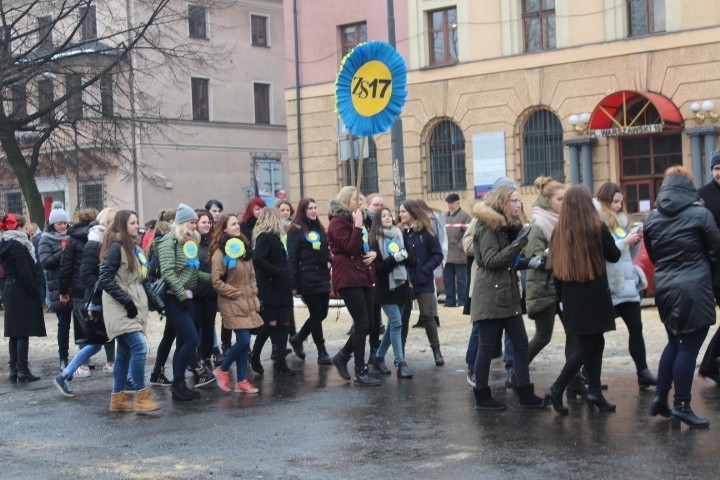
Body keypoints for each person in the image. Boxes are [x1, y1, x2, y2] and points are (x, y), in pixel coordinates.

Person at [643, 166, 720, 429]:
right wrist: (704, 274)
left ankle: (661, 398)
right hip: (694, 286)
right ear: (689, 186)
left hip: (664, 287)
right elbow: (716, 252)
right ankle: (682, 406)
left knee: (674, 342)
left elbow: (653, 255)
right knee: (688, 346)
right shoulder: (701, 214)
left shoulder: (651, 219)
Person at [542, 185, 621, 414]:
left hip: (571, 295)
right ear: (588, 204)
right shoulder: (596, 226)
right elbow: (614, 256)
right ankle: (556, 389)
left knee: (595, 342)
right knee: (587, 346)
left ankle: (595, 391)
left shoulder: (559, 230)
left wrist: (560, 303)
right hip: (594, 294)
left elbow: (554, 268)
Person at [469, 185, 544, 411]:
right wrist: (518, 244)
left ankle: (524, 392)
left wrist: (529, 261)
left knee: (521, 344)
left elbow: (508, 262)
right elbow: (492, 261)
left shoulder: (505, 227)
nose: (518, 204)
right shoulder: (487, 226)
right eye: (513, 200)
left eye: (519, 200)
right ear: (502, 202)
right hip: (490, 295)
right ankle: (482, 397)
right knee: (487, 347)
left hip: (507, 295)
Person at [523, 177, 587, 397]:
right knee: (543, 336)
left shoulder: (564, 220)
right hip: (544, 286)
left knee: (574, 333)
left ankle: (574, 380)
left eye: (566, 198)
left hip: (564, 285)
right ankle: (517, 371)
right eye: (560, 199)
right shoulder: (539, 223)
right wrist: (556, 254)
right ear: (548, 199)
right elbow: (532, 258)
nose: (564, 202)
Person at [98, 209, 163, 414]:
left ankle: (118, 399)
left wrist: (158, 303)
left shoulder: (135, 249)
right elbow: (105, 279)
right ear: (123, 225)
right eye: (133, 223)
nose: (137, 226)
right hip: (120, 307)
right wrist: (126, 301)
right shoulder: (116, 248)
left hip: (134, 306)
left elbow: (142, 281)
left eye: (137, 223)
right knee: (140, 347)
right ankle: (141, 396)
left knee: (125, 353)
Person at [594, 181, 656, 389]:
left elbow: (626, 256)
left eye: (621, 202)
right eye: (615, 202)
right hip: (608, 284)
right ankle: (590, 376)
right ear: (604, 201)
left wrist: (633, 242)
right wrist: (626, 242)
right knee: (596, 334)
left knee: (636, 328)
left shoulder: (622, 222)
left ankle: (643, 372)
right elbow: (608, 252)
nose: (619, 206)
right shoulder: (597, 222)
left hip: (626, 283)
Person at [158, 203, 212, 400]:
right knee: (192, 339)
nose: (195, 226)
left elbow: (193, 273)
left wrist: (214, 279)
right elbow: (168, 272)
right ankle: (177, 383)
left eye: (195, 223)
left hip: (187, 296)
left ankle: (179, 382)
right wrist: (181, 295)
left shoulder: (187, 243)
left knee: (183, 342)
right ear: (181, 223)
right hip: (175, 297)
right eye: (192, 222)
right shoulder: (168, 242)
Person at [328, 186, 380, 386]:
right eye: (355, 199)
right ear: (345, 200)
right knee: (362, 323)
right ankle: (360, 370)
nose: (359, 203)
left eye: (360, 200)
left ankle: (342, 356)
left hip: (363, 274)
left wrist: (373, 253)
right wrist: (357, 226)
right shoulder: (337, 223)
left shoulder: (356, 220)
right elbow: (349, 247)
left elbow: (363, 245)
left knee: (369, 324)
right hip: (348, 277)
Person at [210, 214, 263, 393]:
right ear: (224, 228)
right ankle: (223, 369)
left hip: (247, 301)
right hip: (231, 302)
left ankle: (241, 380)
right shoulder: (220, 253)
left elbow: (252, 274)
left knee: (244, 342)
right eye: (233, 224)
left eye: (237, 223)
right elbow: (216, 282)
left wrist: (253, 292)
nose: (237, 226)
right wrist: (236, 293)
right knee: (244, 340)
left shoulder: (244, 249)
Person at [398, 200, 445, 366]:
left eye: (403, 211)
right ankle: (400, 354)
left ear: (413, 212)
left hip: (424, 280)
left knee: (427, 314)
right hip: (405, 281)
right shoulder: (400, 234)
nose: (400, 214)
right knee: (403, 317)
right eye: (400, 212)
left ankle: (437, 351)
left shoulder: (426, 232)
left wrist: (426, 270)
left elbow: (437, 255)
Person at [250, 208, 296, 376]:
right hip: (271, 287)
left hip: (282, 286)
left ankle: (280, 362)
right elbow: (258, 259)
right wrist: (276, 271)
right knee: (270, 324)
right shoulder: (264, 237)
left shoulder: (275, 237)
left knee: (284, 324)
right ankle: (255, 356)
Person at [287, 198, 333, 365]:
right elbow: (291, 258)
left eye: (315, 207)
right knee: (315, 313)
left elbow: (327, 248)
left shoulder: (319, 229)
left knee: (323, 313)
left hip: (322, 276)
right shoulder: (296, 230)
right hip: (306, 277)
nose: (314, 211)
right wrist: (293, 284)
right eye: (310, 208)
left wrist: (329, 261)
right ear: (303, 211)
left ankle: (298, 338)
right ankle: (322, 351)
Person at [369, 207, 414, 378]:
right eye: (383, 216)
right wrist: (394, 259)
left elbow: (412, 259)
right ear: (378, 220)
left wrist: (404, 256)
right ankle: (401, 363)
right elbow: (378, 270)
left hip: (402, 287)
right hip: (385, 289)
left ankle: (378, 358)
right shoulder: (375, 239)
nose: (387, 218)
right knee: (396, 324)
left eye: (389, 215)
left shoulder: (399, 234)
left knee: (392, 327)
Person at [1, 214, 45, 383]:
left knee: (14, 332)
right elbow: (24, 272)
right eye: (24, 227)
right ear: (17, 228)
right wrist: (35, 291)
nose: (27, 230)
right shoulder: (17, 245)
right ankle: (22, 369)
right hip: (21, 290)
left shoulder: (5, 243)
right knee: (22, 332)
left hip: (11, 288)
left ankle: (14, 368)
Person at [38, 203, 74, 370]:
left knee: (82, 323)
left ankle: (84, 358)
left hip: (75, 285)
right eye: (59, 223)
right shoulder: (46, 239)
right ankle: (63, 357)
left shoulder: (72, 236)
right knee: (64, 325)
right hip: (58, 287)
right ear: (52, 224)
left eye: (65, 223)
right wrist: (64, 251)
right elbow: (46, 263)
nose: (62, 226)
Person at [697, 149, 720, 385]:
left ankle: (710, 365)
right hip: (715, 269)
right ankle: (708, 365)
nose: (719, 172)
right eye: (716, 168)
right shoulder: (702, 196)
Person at [147, 211, 175, 386]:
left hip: (169, 294)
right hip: (169, 294)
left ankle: (158, 371)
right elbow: (155, 270)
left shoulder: (160, 239)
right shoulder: (162, 242)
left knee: (171, 334)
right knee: (174, 334)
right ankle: (158, 371)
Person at [190, 210, 217, 387]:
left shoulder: (212, 242)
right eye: (203, 222)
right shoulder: (192, 243)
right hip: (196, 292)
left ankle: (206, 359)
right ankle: (195, 361)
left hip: (211, 292)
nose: (207, 225)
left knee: (208, 327)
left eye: (209, 222)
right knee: (196, 327)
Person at [443, 193, 471, 308]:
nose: (450, 205)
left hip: (460, 254)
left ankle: (462, 302)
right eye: (448, 203)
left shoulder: (465, 216)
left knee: (461, 281)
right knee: (448, 281)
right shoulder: (444, 216)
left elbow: (469, 233)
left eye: (452, 203)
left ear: (458, 203)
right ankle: (449, 302)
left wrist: (460, 244)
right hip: (447, 254)